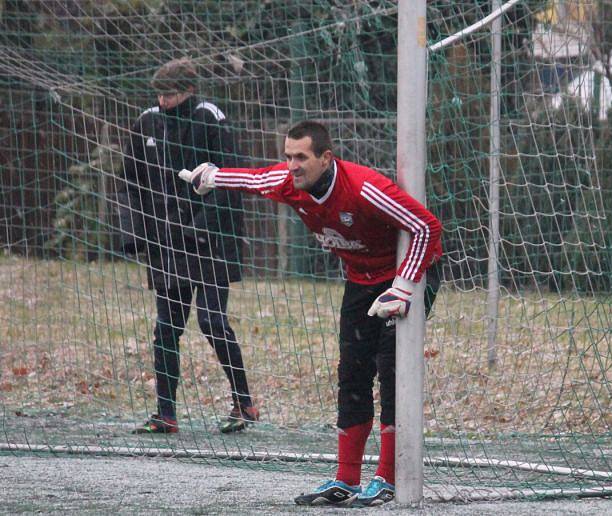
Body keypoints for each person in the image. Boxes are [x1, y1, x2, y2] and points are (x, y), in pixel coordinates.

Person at [179, 120, 442, 506]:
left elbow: (426, 227)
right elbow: (255, 180)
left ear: (326, 158)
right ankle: (346, 480)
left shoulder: (365, 187)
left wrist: (403, 287)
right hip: (361, 278)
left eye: (301, 157)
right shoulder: (288, 183)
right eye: (288, 156)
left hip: (410, 274)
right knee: (352, 372)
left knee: (393, 371)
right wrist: (214, 176)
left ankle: (390, 478)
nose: (292, 165)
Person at [116, 57, 258, 435]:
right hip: (166, 246)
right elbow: (129, 183)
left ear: (190, 91)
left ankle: (243, 402)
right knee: (166, 328)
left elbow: (232, 180)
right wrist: (133, 233)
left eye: (171, 93)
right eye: (159, 93)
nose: (164, 100)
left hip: (211, 244)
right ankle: (166, 414)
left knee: (212, 321)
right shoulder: (146, 123)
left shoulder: (210, 119)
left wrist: (200, 227)